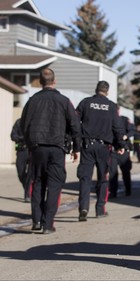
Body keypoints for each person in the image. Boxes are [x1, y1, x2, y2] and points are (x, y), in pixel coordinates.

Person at [20, 67, 81, 234]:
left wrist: (29, 144)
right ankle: (48, 224)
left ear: (40, 82)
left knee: (38, 183)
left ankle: (37, 220)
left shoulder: (32, 101)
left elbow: (23, 124)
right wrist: (76, 148)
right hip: (57, 147)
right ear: (54, 81)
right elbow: (75, 125)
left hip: (37, 147)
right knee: (54, 186)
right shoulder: (63, 101)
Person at [76, 81, 125, 222]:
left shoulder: (86, 103)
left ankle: (83, 208)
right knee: (103, 179)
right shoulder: (111, 106)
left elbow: (74, 121)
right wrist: (120, 144)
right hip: (104, 148)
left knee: (85, 178)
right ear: (107, 91)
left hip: (87, 146)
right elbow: (118, 127)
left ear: (96, 90)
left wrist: (76, 141)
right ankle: (100, 209)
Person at [109, 114, 135, 198]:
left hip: (124, 150)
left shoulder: (124, 119)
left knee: (125, 172)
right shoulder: (108, 119)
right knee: (112, 172)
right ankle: (113, 192)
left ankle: (128, 190)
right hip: (113, 150)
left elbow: (132, 131)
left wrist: (126, 136)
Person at [10, 118, 32, 203]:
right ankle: (27, 188)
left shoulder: (34, 122)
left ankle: (28, 195)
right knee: (20, 173)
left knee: (30, 174)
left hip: (31, 150)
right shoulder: (18, 122)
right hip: (21, 150)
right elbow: (13, 136)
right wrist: (22, 138)